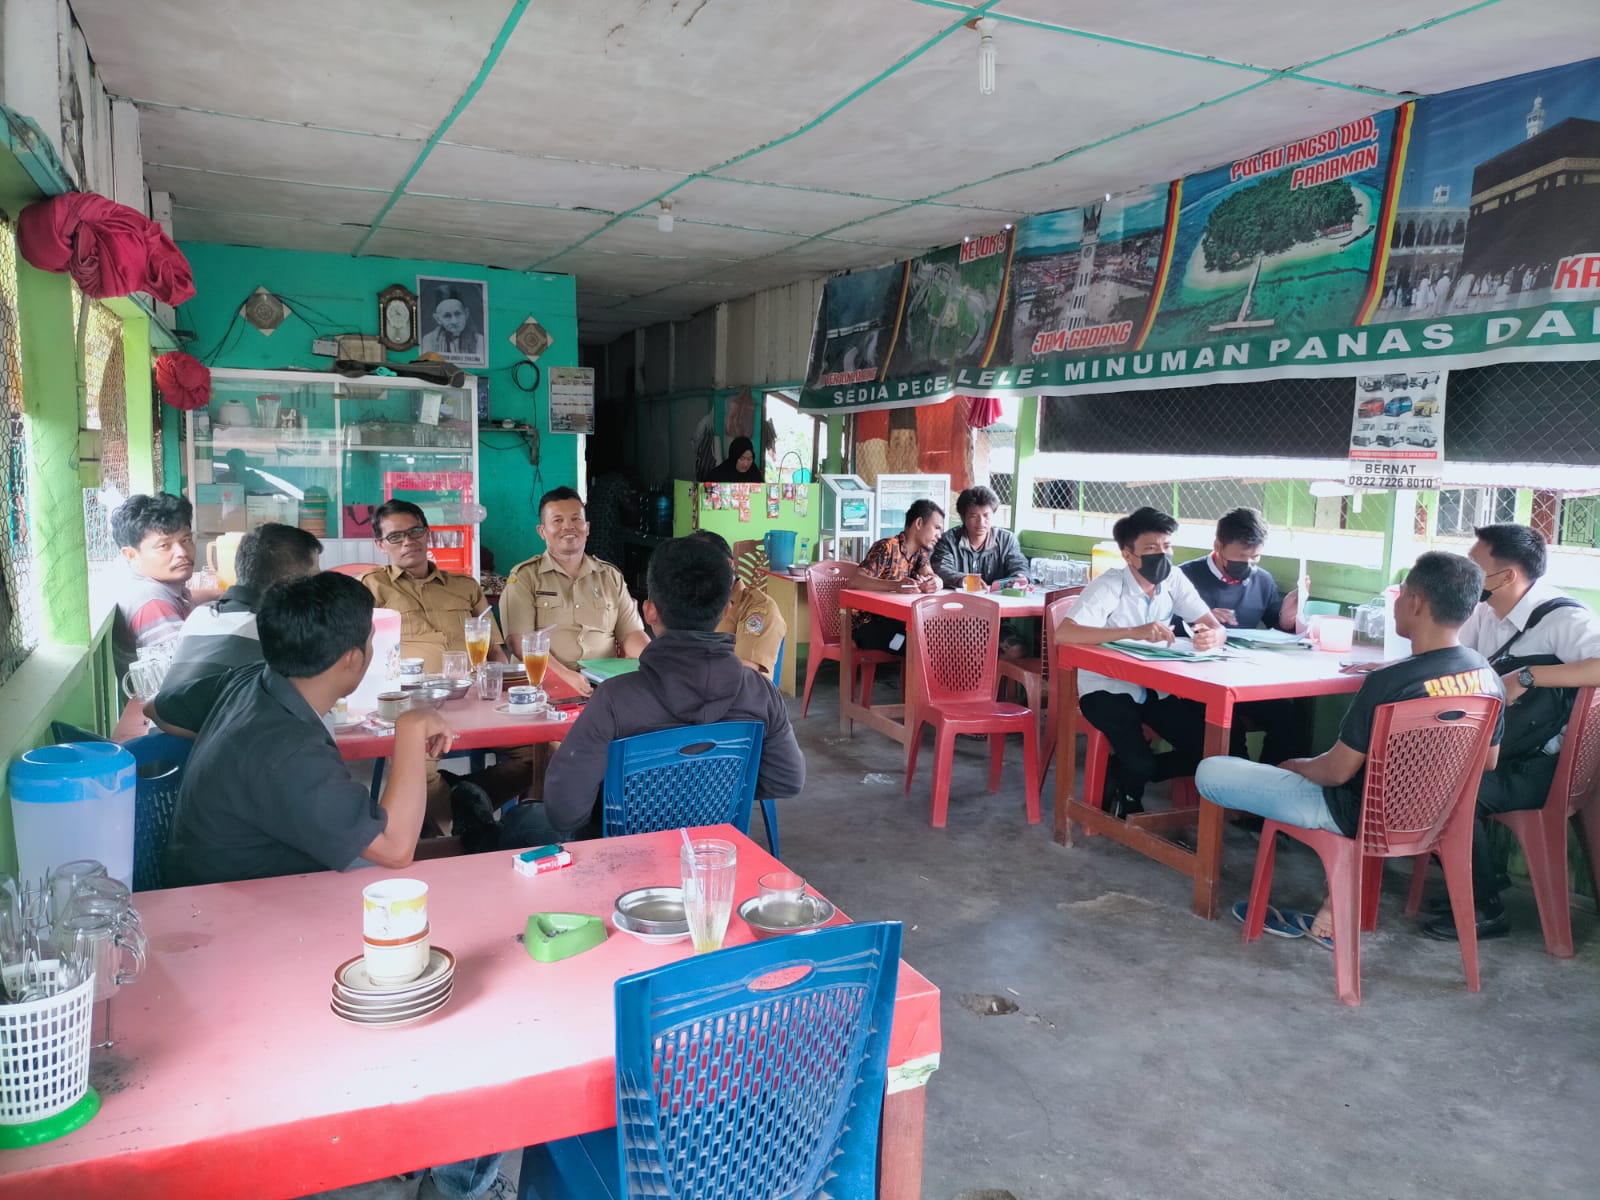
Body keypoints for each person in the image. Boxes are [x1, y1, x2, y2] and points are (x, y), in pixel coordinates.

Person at [159, 577, 508, 1200]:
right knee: (437, 925)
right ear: (354, 659)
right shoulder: (284, 750)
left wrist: (226, 767)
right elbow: (395, 850)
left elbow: (165, 707)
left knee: (444, 869)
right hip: (246, 926)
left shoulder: (251, 682)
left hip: (241, 886)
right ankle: (438, 1154)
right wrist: (408, 732)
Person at [1196, 551, 1504, 946]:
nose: (1396, 602)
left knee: (1212, 770)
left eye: (1402, 592)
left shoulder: (1389, 682)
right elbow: (1488, 761)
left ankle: (1325, 906)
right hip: (1432, 818)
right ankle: (1331, 908)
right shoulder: (1485, 674)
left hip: (1353, 813)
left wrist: (1295, 765)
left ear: (1416, 603)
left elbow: (1335, 772)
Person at [542, 536, 804, 835]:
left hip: (627, 863)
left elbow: (563, 812)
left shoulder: (614, 699)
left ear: (650, 611)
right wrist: (714, 790)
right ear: (725, 611)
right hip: (713, 858)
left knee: (521, 825)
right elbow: (787, 780)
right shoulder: (760, 693)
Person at [1420, 524, 1600, 942]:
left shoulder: (1564, 619)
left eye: (1474, 566)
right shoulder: (1486, 611)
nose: (1466, 574)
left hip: (1541, 768)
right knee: (1428, 772)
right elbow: (1458, 659)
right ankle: (1478, 884)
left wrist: (1530, 675)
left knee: (1450, 787)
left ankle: (1484, 908)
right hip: (1503, 751)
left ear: (1507, 577)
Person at [1058, 507, 1227, 819]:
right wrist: (1132, 632)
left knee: (1212, 752)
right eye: (1151, 549)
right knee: (1141, 760)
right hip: (1105, 688)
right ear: (1127, 554)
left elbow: (1212, 624)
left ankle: (1125, 773)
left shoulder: (1174, 579)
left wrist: (1212, 637)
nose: (1161, 555)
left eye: (1167, 547)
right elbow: (1065, 633)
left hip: (1157, 688)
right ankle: (1132, 785)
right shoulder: (1110, 586)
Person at [147, 523, 322, 734]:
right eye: (314, 579)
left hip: (161, 757)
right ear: (288, 585)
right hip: (216, 760)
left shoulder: (199, 617)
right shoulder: (275, 635)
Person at [1178, 507, 1303, 764]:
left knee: (1289, 719)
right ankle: (1233, 790)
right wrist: (1200, 617)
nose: (1247, 565)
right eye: (1241, 557)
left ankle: (1268, 785)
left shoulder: (1263, 581)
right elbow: (1161, 627)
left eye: (1255, 558)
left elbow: (1276, 631)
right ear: (1218, 546)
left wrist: (1288, 620)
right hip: (1192, 684)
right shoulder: (1184, 578)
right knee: (1228, 733)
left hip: (1242, 681)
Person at [500, 487, 649, 699]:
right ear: (542, 531)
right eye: (557, 520)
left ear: (587, 527)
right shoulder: (525, 577)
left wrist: (656, 663)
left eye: (576, 519)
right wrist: (565, 676)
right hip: (542, 685)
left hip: (603, 685)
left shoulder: (610, 576)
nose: (568, 527)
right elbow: (519, 643)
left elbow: (631, 634)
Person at [361, 500, 506, 676]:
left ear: (427, 534)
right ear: (381, 545)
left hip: (471, 690)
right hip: (407, 695)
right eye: (395, 537)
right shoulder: (370, 587)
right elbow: (356, 652)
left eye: (415, 532)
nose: (407, 542)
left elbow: (495, 652)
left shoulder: (465, 586)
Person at [109, 492, 196, 678]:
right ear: (131, 555)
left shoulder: (155, 585)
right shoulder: (152, 603)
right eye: (164, 546)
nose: (181, 552)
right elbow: (189, 673)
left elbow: (193, 595)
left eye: (186, 540)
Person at [849, 498, 945, 654]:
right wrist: (896, 585)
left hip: (896, 622)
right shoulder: (886, 547)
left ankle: (917, 677)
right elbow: (855, 580)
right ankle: (914, 676)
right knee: (916, 645)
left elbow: (930, 574)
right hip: (868, 627)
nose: (939, 535)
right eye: (936, 528)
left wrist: (936, 582)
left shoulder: (920, 554)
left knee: (934, 636)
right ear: (919, 523)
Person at [690, 531, 786, 678]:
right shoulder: (692, 604)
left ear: (729, 564)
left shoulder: (758, 608)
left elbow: (746, 675)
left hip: (736, 697)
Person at [930, 485, 1029, 591]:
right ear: (963, 517)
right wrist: (964, 580)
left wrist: (1020, 578)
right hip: (960, 600)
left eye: (986, 515)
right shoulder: (948, 540)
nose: (981, 522)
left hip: (998, 600)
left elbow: (1019, 565)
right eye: (974, 516)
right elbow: (941, 569)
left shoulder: (1006, 540)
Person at [418, 283, 483, 362]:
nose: (454, 321)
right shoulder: (428, 340)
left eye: (458, 314)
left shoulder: (479, 340)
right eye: (447, 316)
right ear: (438, 319)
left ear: (466, 313)